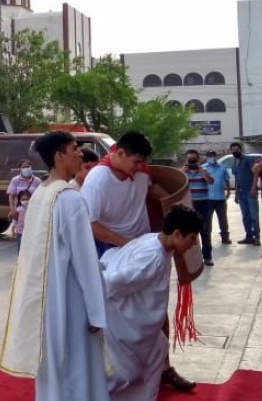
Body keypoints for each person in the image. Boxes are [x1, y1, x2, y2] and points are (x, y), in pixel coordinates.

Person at [79, 131, 192, 392]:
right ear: (119, 153)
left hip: (145, 247)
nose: (141, 168)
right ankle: (106, 373)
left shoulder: (140, 172)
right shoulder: (98, 179)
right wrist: (127, 245)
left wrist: (177, 210)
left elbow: (157, 192)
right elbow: (90, 224)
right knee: (113, 316)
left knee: (156, 308)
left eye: (144, 162)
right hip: (111, 249)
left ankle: (163, 367)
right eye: (136, 162)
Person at [0, 131, 108, 401]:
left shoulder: (41, 194)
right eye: (74, 148)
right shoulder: (69, 198)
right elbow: (85, 260)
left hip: (46, 300)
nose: (80, 153)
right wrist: (97, 311)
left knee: (53, 366)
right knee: (78, 365)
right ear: (59, 156)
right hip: (71, 299)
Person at [102, 205, 203, 401]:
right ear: (177, 233)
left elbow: (184, 277)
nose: (193, 244)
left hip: (137, 316)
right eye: (192, 238)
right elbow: (113, 282)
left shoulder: (154, 241)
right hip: (123, 321)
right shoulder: (153, 257)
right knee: (122, 375)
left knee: (158, 351)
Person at [181, 150, 215, 267]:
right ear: (185, 160)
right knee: (188, 232)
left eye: (193, 160)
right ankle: (192, 259)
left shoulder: (204, 170)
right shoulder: (182, 173)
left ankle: (207, 257)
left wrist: (202, 172)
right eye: (189, 159)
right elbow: (176, 185)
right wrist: (182, 172)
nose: (191, 162)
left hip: (204, 204)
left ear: (198, 159)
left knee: (205, 231)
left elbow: (211, 182)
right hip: (189, 205)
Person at [228, 143, 259, 245]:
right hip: (241, 193)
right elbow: (237, 179)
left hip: (250, 191)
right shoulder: (234, 162)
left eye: (237, 149)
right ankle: (248, 236)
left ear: (241, 149)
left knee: (254, 215)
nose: (235, 151)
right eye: (233, 150)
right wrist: (236, 194)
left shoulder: (248, 159)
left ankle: (257, 237)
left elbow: (255, 174)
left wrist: (254, 188)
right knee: (245, 216)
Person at [202, 150, 231, 245]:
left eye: (212, 155)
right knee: (207, 220)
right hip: (207, 198)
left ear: (215, 156)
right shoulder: (203, 168)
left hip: (220, 198)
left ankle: (225, 238)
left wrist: (228, 191)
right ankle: (207, 239)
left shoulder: (222, 167)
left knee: (223, 219)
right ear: (206, 157)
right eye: (208, 155)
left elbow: (226, 180)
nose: (210, 157)